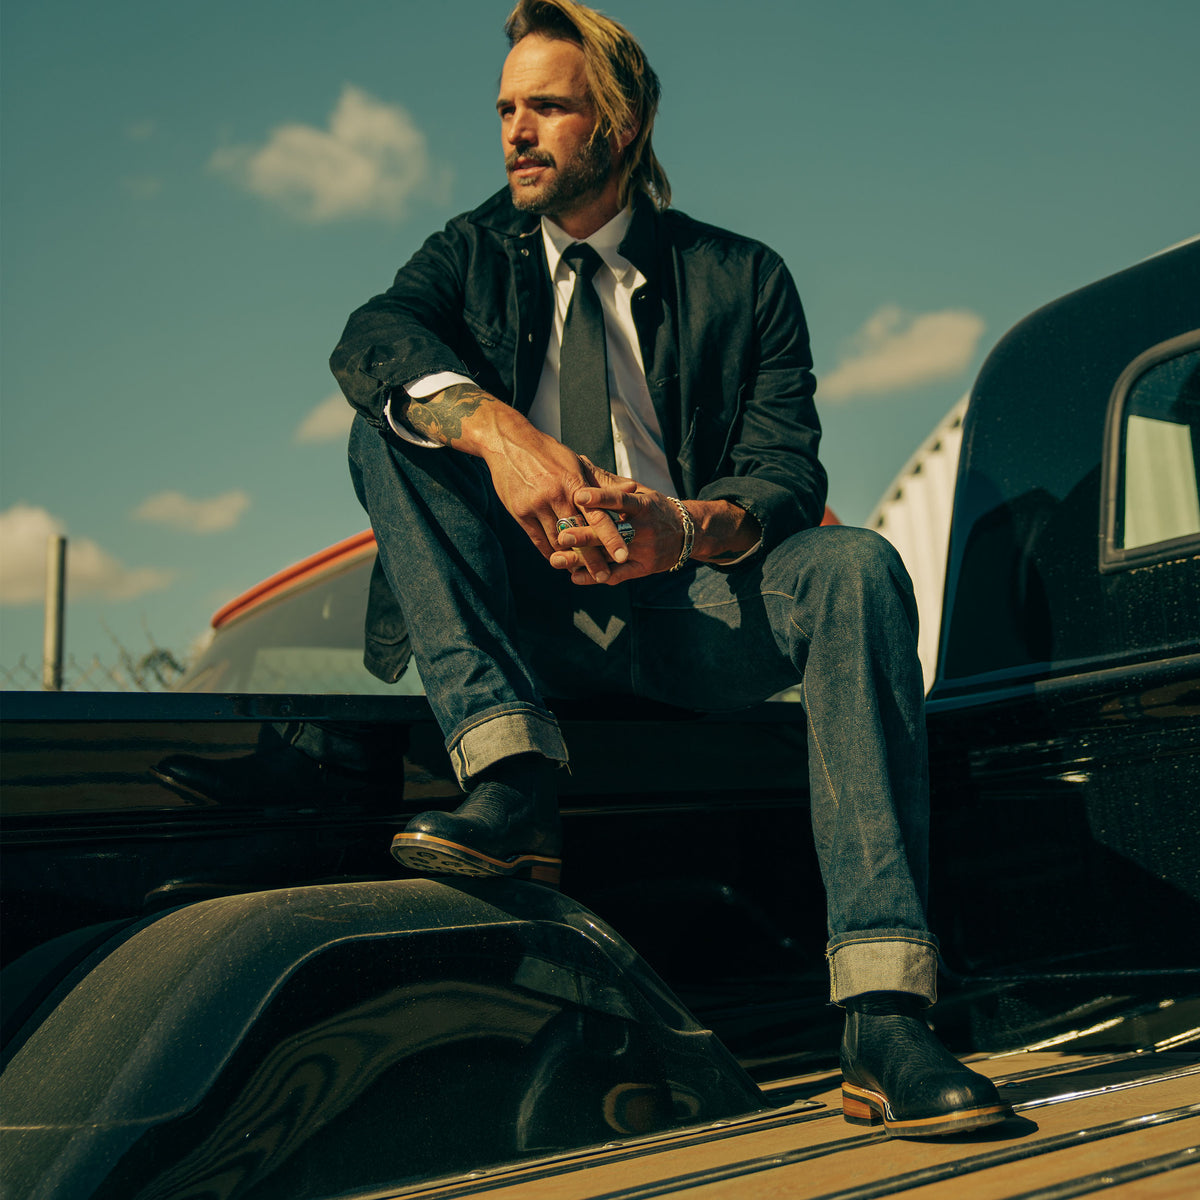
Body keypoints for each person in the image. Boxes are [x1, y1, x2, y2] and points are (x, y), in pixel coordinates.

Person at [332, 0, 1011, 1139]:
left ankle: (885, 1016)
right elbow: (373, 338)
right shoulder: (467, 253)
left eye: (547, 105)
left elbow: (785, 474)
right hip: (530, 623)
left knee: (854, 564)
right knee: (391, 424)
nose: (516, 131)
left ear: (623, 120)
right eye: (505, 108)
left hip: (690, 605)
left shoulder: (742, 277)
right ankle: (509, 779)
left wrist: (680, 530)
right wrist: (502, 434)